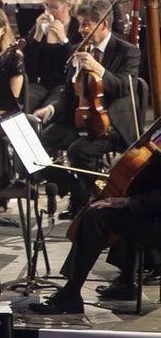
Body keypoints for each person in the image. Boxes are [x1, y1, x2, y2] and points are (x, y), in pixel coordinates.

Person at [29, 127, 161, 315]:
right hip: (149, 208)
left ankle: (71, 293)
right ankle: (125, 281)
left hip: (154, 216)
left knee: (95, 216)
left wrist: (128, 201)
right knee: (102, 207)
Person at [32, 0, 141, 218]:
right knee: (38, 145)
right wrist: (50, 110)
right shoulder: (78, 49)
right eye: (80, 23)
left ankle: (89, 201)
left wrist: (98, 69)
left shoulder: (127, 52)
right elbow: (67, 95)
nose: (80, 29)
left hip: (110, 123)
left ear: (103, 25)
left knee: (79, 150)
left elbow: (122, 87)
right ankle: (74, 189)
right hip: (78, 119)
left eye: (86, 24)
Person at [24, 0, 80, 110]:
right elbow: (29, 65)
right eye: (46, 6)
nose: (48, 12)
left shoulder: (77, 27)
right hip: (40, 84)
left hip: (64, 86)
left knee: (48, 109)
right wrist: (37, 34)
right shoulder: (40, 25)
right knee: (25, 107)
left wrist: (63, 40)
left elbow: (72, 66)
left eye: (54, 7)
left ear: (69, 6)